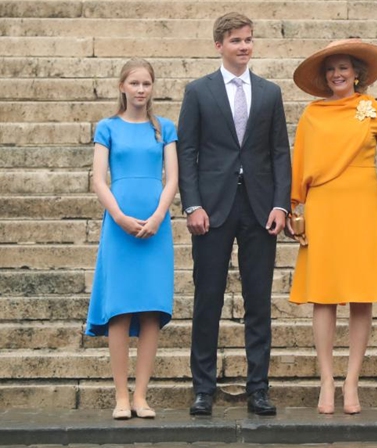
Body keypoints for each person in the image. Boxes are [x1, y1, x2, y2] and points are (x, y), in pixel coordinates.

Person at [177, 12, 292, 416]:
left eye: (248, 39)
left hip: (260, 207)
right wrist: (192, 204)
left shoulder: (269, 92)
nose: (244, 46)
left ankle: (258, 387)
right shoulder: (199, 91)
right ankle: (203, 389)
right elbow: (186, 152)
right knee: (207, 297)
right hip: (212, 207)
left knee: (258, 300)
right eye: (236, 41)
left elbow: (280, 152)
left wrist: (282, 204)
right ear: (219, 46)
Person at [289, 38, 377, 415]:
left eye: (344, 68)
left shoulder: (374, 109)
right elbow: (299, 162)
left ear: (357, 73)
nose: (337, 74)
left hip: (363, 204)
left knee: (361, 293)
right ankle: (327, 380)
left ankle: (352, 381)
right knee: (325, 294)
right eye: (331, 69)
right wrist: (293, 206)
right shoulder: (312, 114)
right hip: (324, 205)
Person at [85, 58, 178, 420]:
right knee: (120, 311)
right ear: (122, 86)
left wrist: (158, 216)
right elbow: (98, 179)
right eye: (135, 83)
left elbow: (172, 179)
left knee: (152, 310)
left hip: (156, 227)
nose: (141, 90)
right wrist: (119, 216)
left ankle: (141, 395)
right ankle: (121, 396)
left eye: (147, 84)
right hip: (119, 225)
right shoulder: (107, 127)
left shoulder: (165, 128)